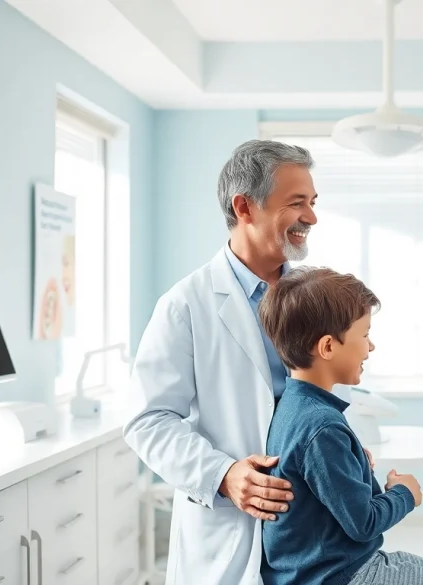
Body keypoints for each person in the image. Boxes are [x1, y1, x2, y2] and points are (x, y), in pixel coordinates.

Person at [123, 140, 319, 585]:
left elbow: (328, 388)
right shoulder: (185, 305)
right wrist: (223, 474)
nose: (311, 217)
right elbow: (148, 420)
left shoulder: (316, 293)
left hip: (309, 528)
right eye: (296, 203)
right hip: (231, 530)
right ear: (244, 207)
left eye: (312, 202)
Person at [257, 266, 423, 585]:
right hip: (344, 576)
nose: (371, 347)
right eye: (365, 335)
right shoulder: (320, 426)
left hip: (337, 568)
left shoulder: (294, 405)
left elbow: (328, 495)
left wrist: (356, 467)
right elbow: (364, 524)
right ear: (328, 347)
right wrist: (404, 493)